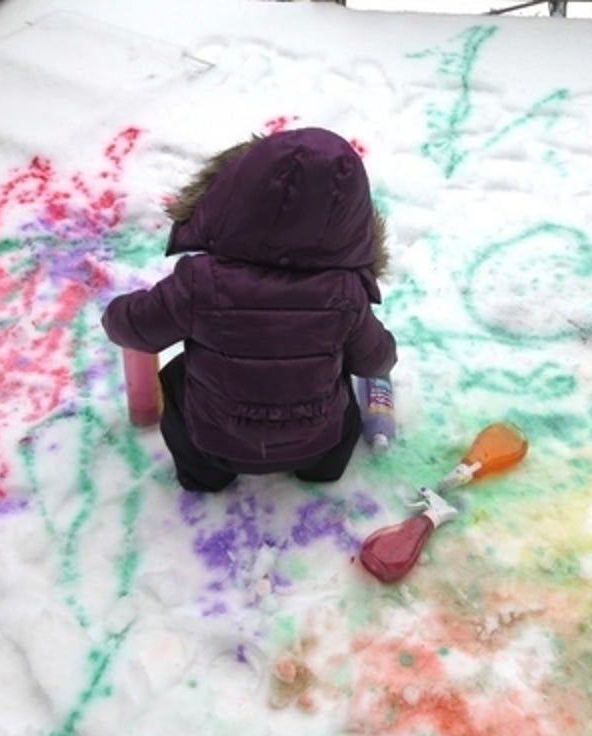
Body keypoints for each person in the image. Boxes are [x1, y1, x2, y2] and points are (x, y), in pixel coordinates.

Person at [101, 127, 397, 492]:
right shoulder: (346, 294)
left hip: (216, 443)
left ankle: (203, 477)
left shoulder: (200, 282)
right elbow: (375, 362)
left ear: (233, 196)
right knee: (338, 376)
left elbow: (134, 328)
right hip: (316, 444)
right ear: (352, 219)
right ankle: (323, 471)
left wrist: (118, 311)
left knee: (178, 376)